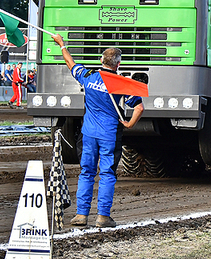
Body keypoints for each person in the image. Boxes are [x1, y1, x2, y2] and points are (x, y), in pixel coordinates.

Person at [51, 33, 144, 228]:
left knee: (86, 172)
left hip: (89, 133)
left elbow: (71, 64)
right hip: (109, 134)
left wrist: (62, 45)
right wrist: (129, 124)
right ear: (117, 64)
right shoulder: (122, 84)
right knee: (107, 174)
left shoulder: (88, 75)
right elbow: (139, 108)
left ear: (101, 60)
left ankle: (81, 215)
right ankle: (103, 217)